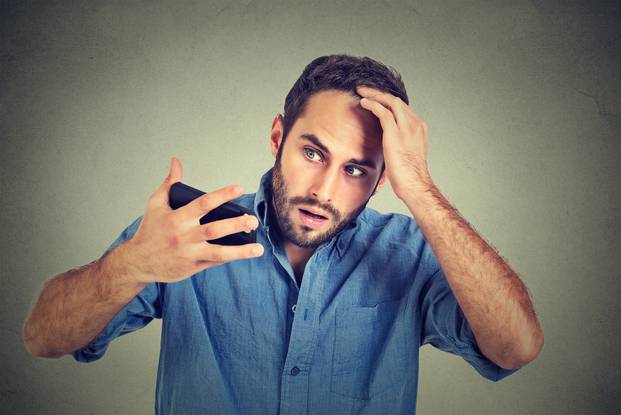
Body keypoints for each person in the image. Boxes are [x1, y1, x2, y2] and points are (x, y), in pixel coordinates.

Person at [23, 54, 543, 414]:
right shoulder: (183, 234)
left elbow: (515, 348)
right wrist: (132, 263)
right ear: (278, 136)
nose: (324, 189)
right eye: (313, 153)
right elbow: (43, 337)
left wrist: (422, 189)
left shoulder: (409, 255)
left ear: (383, 176)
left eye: (356, 169)